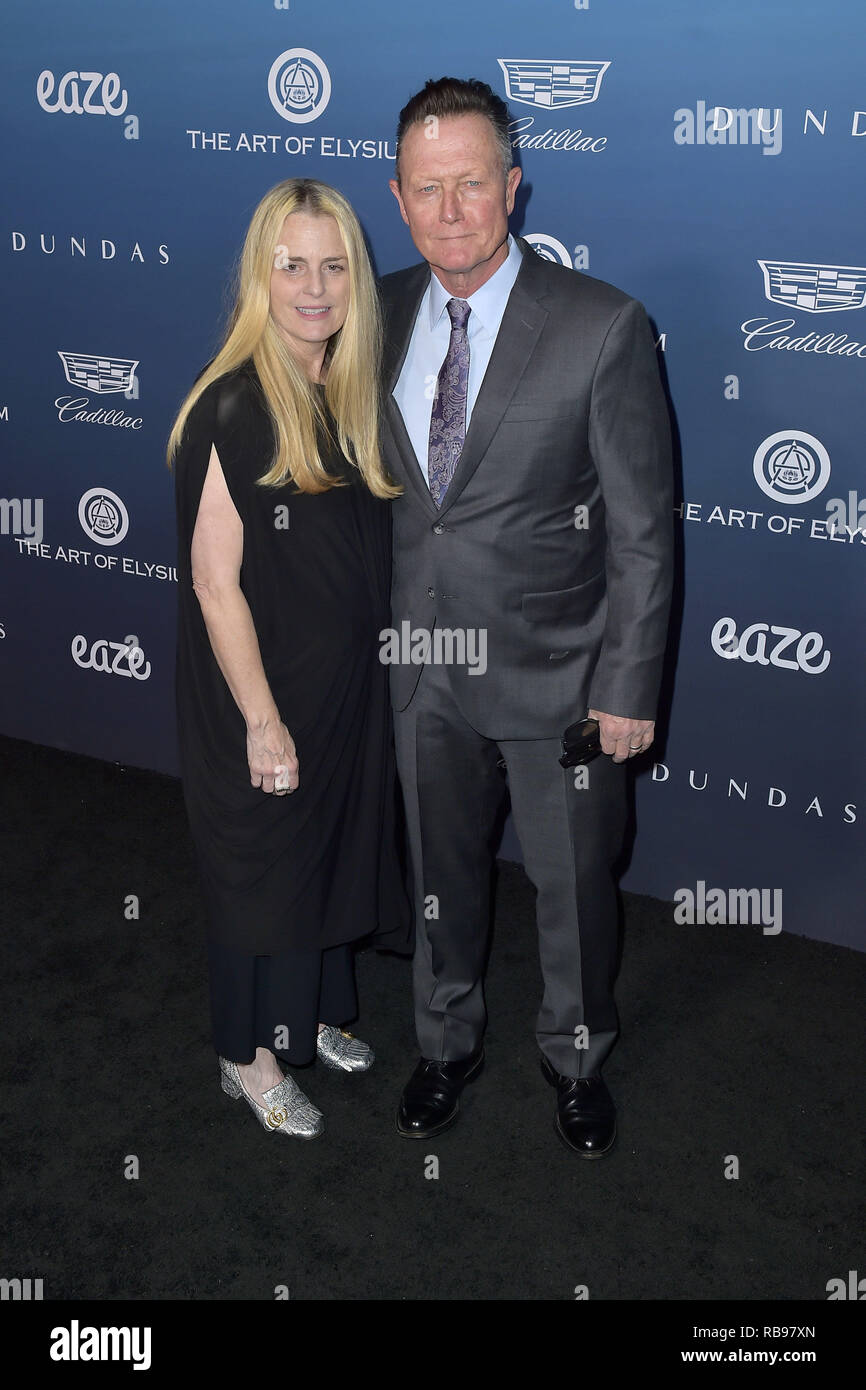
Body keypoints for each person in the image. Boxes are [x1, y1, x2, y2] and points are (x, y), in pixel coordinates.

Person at [380, 78, 674, 1156]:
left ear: (512, 186)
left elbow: (642, 530)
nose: (448, 210)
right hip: (420, 669)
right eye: (426, 188)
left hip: (563, 679)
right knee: (438, 888)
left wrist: (626, 689)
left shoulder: (601, 327)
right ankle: (444, 1042)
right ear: (399, 196)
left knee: (573, 891)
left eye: (470, 183)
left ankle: (577, 1055)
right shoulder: (372, 310)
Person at [168, 177, 409, 1140]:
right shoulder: (233, 405)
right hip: (261, 692)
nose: (315, 287)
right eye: (291, 266)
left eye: (334, 266)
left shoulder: (343, 392)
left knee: (326, 854)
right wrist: (263, 722)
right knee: (263, 872)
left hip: (343, 685)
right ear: (259, 279)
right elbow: (215, 583)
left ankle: (304, 1014)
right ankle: (248, 1057)